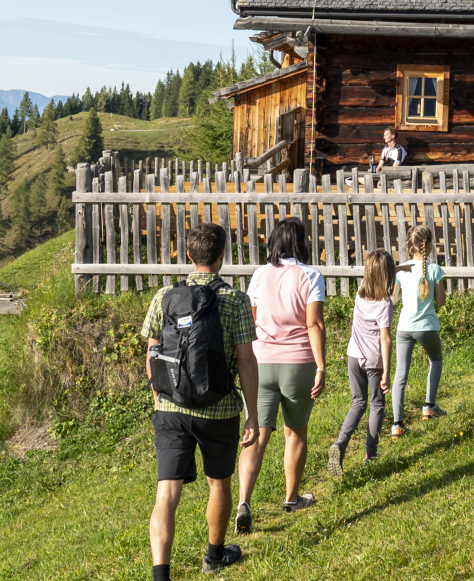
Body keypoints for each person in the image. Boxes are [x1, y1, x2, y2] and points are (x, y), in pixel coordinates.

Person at [142, 223, 257, 578]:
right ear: (223, 256)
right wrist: (252, 415)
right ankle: (214, 555)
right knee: (219, 482)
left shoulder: (164, 297)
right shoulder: (236, 300)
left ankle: (161, 574)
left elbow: (151, 350)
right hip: (219, 409)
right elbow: (246, 360)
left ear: (188, 256)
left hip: (171, 407)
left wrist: (158, 391)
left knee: (166, 492)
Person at [237, 217, 327, 525]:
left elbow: (251, 320)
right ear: (301, 242)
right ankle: (291, 498)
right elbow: (314, 323)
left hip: (261, 362)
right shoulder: (311, 275)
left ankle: (243, 501)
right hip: (297, 362)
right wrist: (321, 366)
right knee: (295, 431)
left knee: (255, 435)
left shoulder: (260, 274)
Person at [328, 247, 396, 475]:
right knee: (377, 404)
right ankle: (371, 454)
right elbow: (385, 339)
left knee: (358, 403)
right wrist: (387, 371)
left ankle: (340, 444)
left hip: (353, 355)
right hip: (373, 361)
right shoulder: (384, 303)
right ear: (388, 274)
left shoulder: (360, 293)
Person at [388, 224, 448, 437]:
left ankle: (396, 424)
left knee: (400, 374)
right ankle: (429, 406)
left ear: (408, 245)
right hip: (427, 327)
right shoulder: (434, 270)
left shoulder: (401, 269)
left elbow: (394, 300)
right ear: (429, 246)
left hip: (404, 327)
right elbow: (441, 302)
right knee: (436, 359)